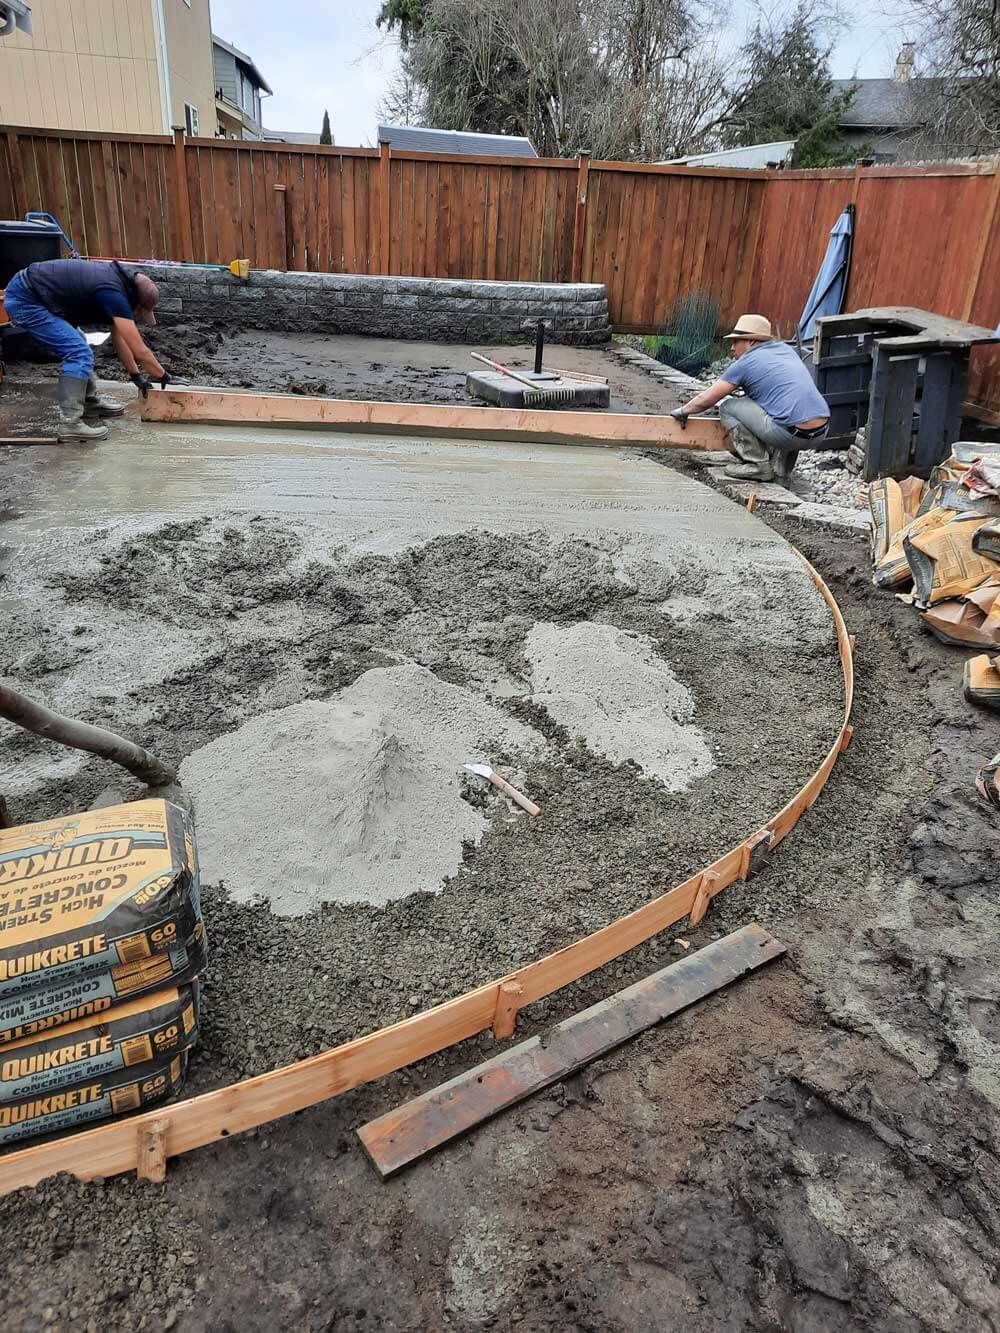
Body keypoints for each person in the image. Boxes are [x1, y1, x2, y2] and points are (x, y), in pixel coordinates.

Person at [2, 258, 170, 441]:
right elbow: (140, 351)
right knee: (78, 352)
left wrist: (136, 377)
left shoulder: (122, 286)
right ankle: (70, 423)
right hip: (26, 299)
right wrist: (164, 376)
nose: (139, 316)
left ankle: (88, 403)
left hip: (38, 293)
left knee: (80, 343)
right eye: (141, 312)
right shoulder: (114, 294)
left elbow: (120, 339)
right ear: (137, 303)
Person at [670, 314, 830, 483]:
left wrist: (683, 410)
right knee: (785, 408)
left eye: (736, 342)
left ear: (751, 342)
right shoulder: (785, 351)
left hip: (790, 434)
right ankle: (781, 472)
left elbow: (708, 399)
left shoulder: (745, 363)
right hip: (821, 431)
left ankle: (757, 465)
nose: (732, 348)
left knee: (728, 407)